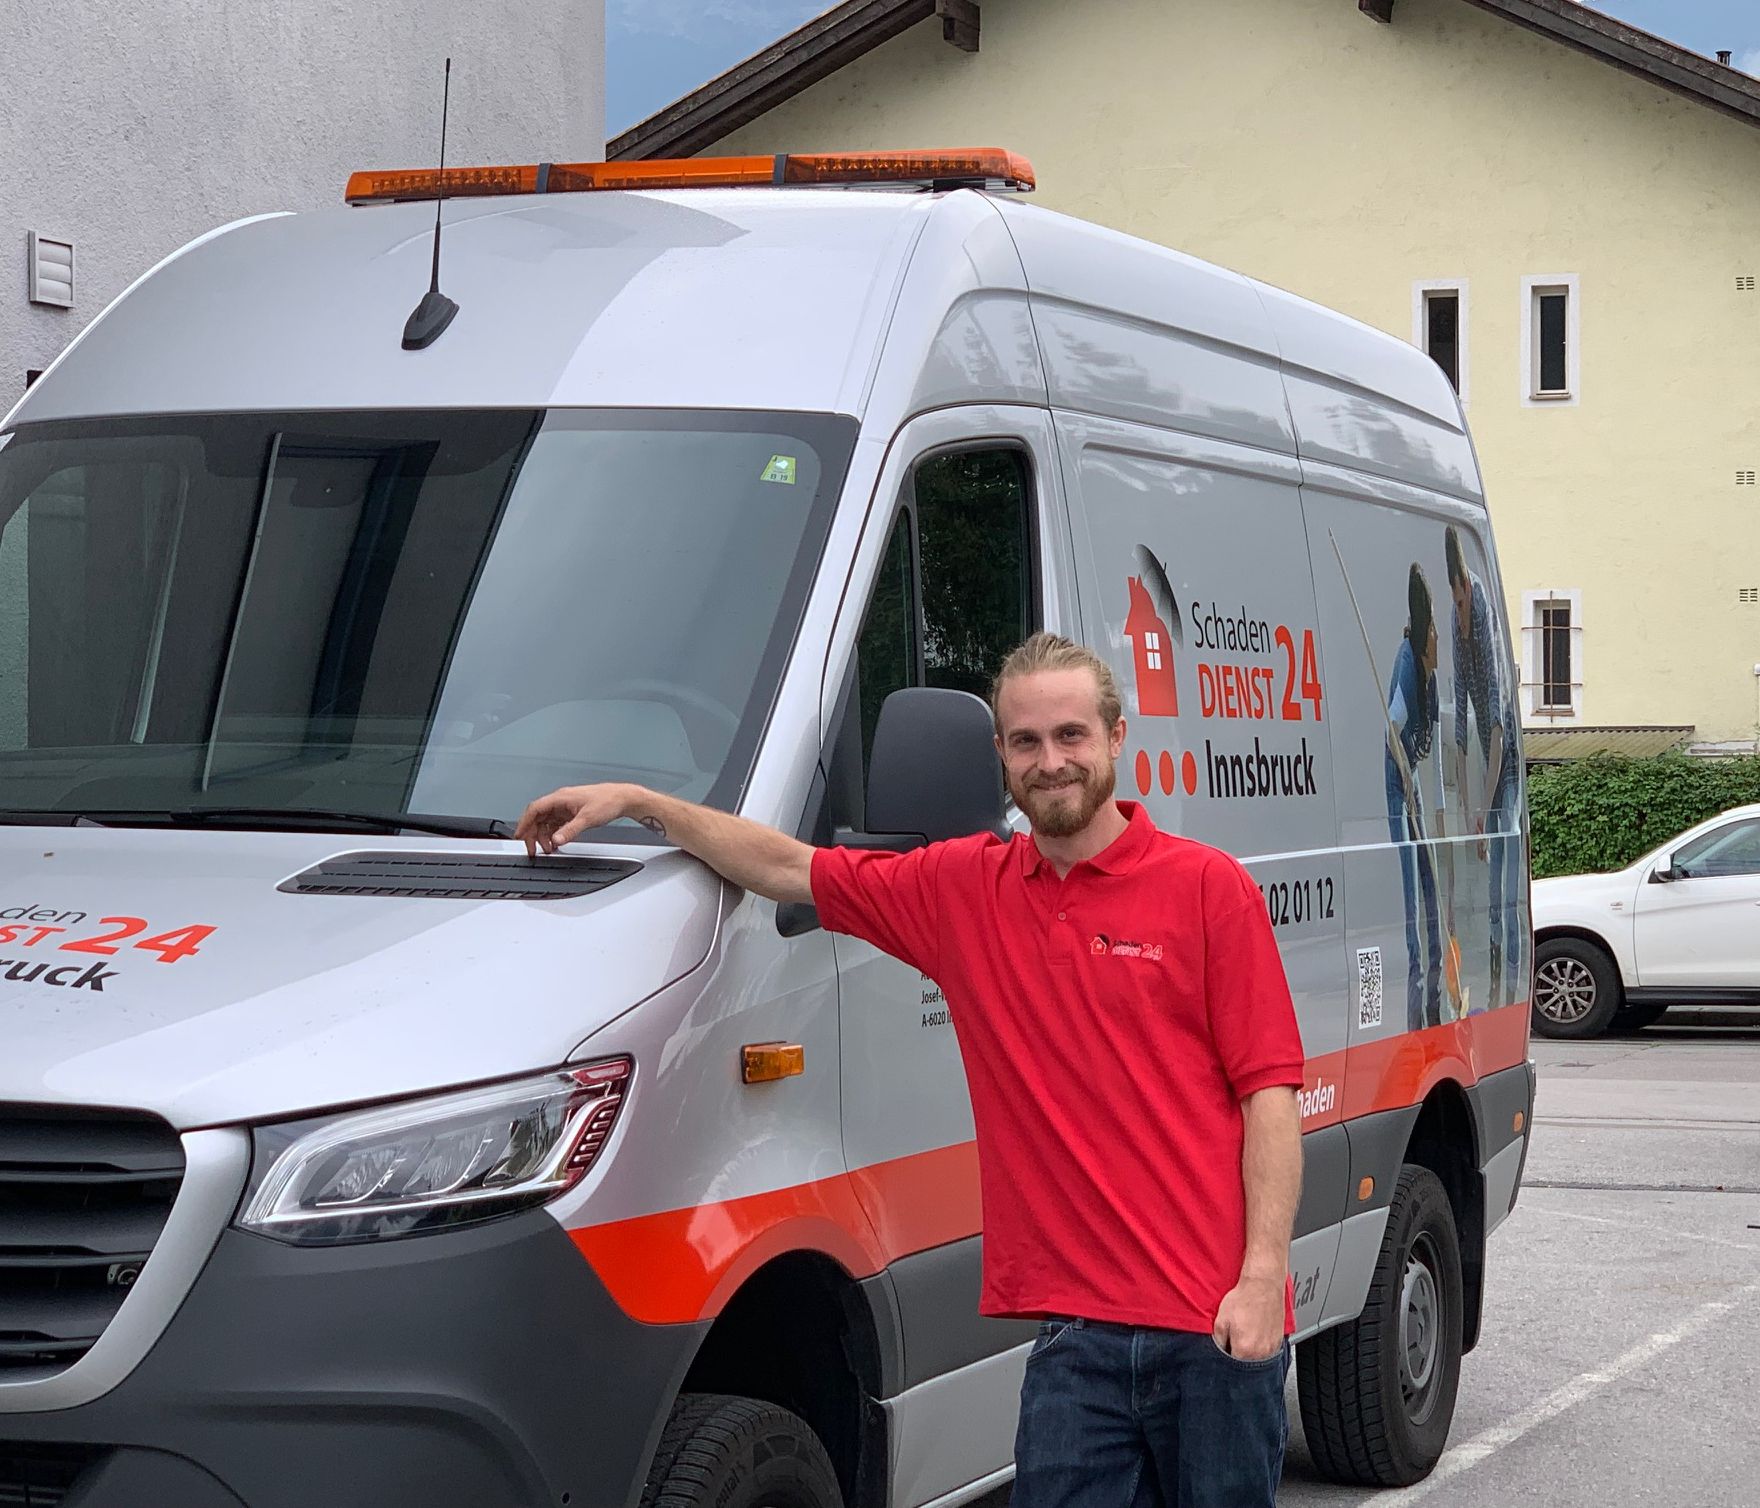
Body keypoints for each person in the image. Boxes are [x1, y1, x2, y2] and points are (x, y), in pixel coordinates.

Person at [516, 632, 1305, 1508]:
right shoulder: (965, 892)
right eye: (1026, 742)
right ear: (1000, 756)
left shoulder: (1206, 888)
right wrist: (638, 802)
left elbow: (1268, 1095)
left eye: (1071, 736)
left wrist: (1261, 1280)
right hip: (1076, 1341)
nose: (1051, 762)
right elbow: (788, 866)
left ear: (1116, 738)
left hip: (1211, 1327)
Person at [1444, 527, 1522, 1012]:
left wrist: (1485, 809)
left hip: (1505, 766)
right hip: (1483, 766)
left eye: (1459, 602)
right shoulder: (1457, 625)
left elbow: (1494, 728)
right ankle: (1493, 981)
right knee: (1489, 883)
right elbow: (1461, 726)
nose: (1458, 613)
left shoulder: (1486, 619)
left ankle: (1508, 984)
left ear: (1467, 588)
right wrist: (1466, 806)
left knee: (1504, 884)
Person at [1386, 564, 1447, 1032]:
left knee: (1432, 886)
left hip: (1416, 780)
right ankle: (1414, 1012)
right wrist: (1405, 778)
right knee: (1411, 889)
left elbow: (1438, 753)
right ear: (1425, 634)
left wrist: (1439, 817)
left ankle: (1436, 999)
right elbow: (1393, 726)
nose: (1440, 640)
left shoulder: (1431, 677)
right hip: (1397, 780)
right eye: (1436, 633)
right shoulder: (1409, 665)